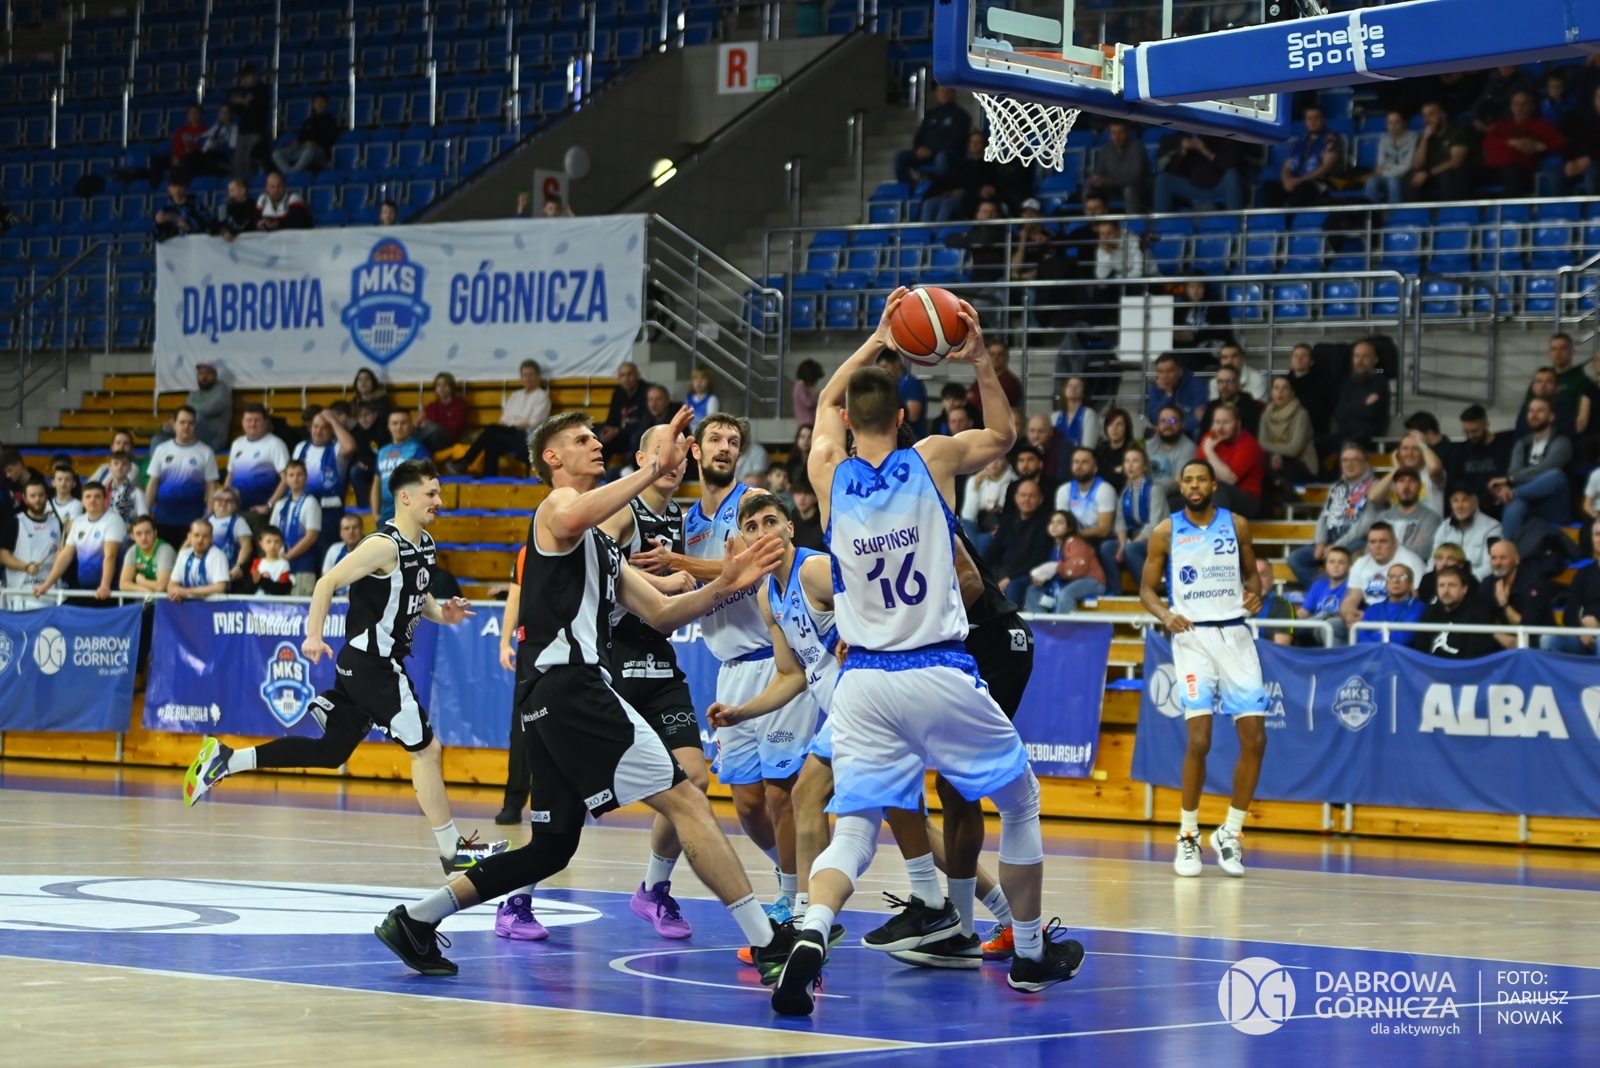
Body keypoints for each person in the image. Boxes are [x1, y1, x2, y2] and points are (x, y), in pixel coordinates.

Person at [369, 426, 799, 979]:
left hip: (549, 698)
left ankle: (415, 919)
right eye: (581, 439)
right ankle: (768, 943)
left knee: (551, 847)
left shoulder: (599, 543)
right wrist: (651, 469)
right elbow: (573, 515)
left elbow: (661, 613)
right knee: (689, 800)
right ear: (552, 457)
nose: (596, 443)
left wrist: (724, 584)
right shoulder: (557, 507)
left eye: (597, 438)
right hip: (572, 684)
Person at [771, 287, 1079, 1016]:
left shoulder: (828, 473)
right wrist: (979, 360)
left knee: (856, 826)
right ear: (903, 417)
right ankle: (1029, 952)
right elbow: (1004, 436)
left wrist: (879, 337)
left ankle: (812, 932)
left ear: (849, 423)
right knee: (1021, 799)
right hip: (936, 665)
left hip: (863, 681)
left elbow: (825, 406)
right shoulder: (931, 458)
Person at [185, 460, 510, 879]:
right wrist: (313, 635)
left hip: (371, 665)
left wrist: (443, 613)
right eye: (431, 493)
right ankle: (453, 852)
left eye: (439, 492)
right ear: (405, 497)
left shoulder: (425, 544)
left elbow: (418, 597)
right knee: (427, 750)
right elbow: (326, 583)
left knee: (330, 752)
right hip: (371, 664)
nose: (439, 501)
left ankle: (227, 760)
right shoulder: (382, 546)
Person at [652, 413, 818, 922]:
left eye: (733, 441)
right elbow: (690, 586)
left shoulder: (752, 504)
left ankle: (795, 898)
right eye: (715, 440)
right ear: (696, 451)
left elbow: (745, 570)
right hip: (731, 668)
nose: (725, 447)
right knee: (747, 804)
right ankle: (793, 874)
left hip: (777, 662)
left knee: (781, 793)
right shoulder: (688, 523)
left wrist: (677, 563)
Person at [591, 423, 710, 940]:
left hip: (658, 661)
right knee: (575, 790)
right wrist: (661, 582)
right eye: (664, 449)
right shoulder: (622, 509)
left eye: (682, 452)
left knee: (695, 779)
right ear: (642, 459)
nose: (675, 460)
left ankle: (653, 889)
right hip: (611, 658)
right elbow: (596, 564)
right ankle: (517, 896)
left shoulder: (682, 518)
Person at [1140, 459, 1267, 880]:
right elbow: (1146, 590)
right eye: (1188, 480)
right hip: (1192, 638)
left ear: (1213, 485)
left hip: (1236, 637)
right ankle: (1188, 833)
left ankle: (1231, 832)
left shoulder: (1238, 525)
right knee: (1199, 739)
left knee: (1255, 739)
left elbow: (1253, 577)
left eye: (1201, 480)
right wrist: (1164, 613)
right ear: (1182, 487)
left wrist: (1256, 595)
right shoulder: (1165, 531)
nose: (1194, 486)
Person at [1491, 397, 1572, 538]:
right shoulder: (1522, 444)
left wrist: (1511, 482)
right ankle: (1508, 550)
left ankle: (1512, 493)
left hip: (1553, 505)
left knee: (1556, 475)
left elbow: (1545, 470)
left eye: (1540, 411)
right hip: (1527, 502)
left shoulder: (1562, 442)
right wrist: (1512, 480)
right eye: (1531, 411)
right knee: (1513, 507)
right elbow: (1514, 472)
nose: (1534, 415)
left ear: (1551, 416)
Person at [454, 359, 550, 477]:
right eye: (525, 375)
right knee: (491, 437)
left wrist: (510, 426)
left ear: (538, 377)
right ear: (521, 378)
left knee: (491, 431)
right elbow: (504, 419)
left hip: (524, 435)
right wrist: (503, 426)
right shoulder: (516, 395)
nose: (528, 378)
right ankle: (489, 476)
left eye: (531, 375)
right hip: (508, 432)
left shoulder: (542, 396)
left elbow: (534, 422)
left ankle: (466, 461)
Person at [31, 482, 124, 603]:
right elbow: (66, 555)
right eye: (88, 496)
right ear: (82, 501)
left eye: (97, 496)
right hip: (83, 588)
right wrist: (46, 585)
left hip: (108, 590)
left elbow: (110, 556)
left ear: (105, 500)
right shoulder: (79, 522)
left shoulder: (114, 520)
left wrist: (105, 586)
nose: (92, 500)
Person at [147, 406, 219, 550]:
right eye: (182, 422)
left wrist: (210, 515)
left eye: (190, 423)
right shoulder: (161, 450)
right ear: (174, 424)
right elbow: (153, 482)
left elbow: (211, 486)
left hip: (192, 520)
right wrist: (145, 511)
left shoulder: (206, 452)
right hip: (164, 518)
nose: (186, 426)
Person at [292, 408, 357, 566]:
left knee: (326, 556)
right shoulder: (301, 447)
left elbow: (350, 447)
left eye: (324, 427)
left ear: (332, 430)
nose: (318, 431)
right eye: (315, 426)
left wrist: (334, 420)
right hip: (304, 509)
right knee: (304, 557)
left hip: (329, 513)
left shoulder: (337, 448)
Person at [1101, 446, 1167, 594]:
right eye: (1127, 461)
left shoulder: (1155, 490)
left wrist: (1131, 544)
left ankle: (1150, 590)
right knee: (1107, 547)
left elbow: (1155, 524)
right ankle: (1116, 591)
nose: (1130, 465)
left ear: (1144, 467)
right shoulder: (1125, 492)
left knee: (1131, 549)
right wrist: (1122, 544)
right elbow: (1120, 523)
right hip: (1136, 539)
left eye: (1135, 461)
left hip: (1158, 539)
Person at [1340, 522, 1428, 627]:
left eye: (1383, 541)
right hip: (1368, 614)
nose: (1377, 546)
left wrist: (1375, 618)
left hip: (1398, 616)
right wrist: (1350, 614)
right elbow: (1351, 598)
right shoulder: (1360, 563)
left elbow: (1414, 600)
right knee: (1335, 625)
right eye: (1373, 542)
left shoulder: (1411, 562)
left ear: (1395, 542)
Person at [1482, 90, 1567, 198]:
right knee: (1463, 172)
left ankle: (1511, 208)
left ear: (1531, 106)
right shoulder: (1501, 125)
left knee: (1513, 172)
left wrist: (1543, 146)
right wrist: (1511, 142)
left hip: (1520, 170)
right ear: (1511, 107)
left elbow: (1562, 142)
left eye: (1524, 104)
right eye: (1516, 104)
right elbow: (1487, 143)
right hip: (1492, 168)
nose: (1519, 108)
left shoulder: (1539, 126)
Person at [1350, 467, 1441, 559]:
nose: (1406, 486)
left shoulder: (1431, 518)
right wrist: (1409, 546)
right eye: (1401, 481)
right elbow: (1370, 549)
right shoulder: (1383, 517)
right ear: (1394, 487)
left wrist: (1383, 549)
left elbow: (1422, 552)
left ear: (1420, 487)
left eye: (1412, 481)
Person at [1261, 106, 1342, 208]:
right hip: (1296, 181)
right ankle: (1278, 216)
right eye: (1309, 118)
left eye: (1316, 118)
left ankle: (1291, 216)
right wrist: (1286, 180)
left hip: (1318, 182)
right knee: (1269, 188)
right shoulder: (1301, 141)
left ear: (1324, 119)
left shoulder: (1332, 139)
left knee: (1304, 189)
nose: (1313, 122)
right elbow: (1287, 165)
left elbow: (1326, 167)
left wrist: (1299, 181)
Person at [1026, 510, 1106, 613]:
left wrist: (1055, 568)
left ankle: (1062, 624)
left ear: (1069, 528)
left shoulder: (1075, 542)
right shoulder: (1055, 546)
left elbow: (1079, 569)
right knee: (1033, 590)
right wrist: (1043, 576)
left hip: (1092, 581)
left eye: (1059, 522)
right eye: (1052, 522)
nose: (1054, 525)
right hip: (1068, 582)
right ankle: (1041, 623)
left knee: (1066, 593)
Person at [1482, 538, 1556, 648]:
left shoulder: (1533, 584)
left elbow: (1528, 627)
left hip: (1537, 640)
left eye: (1503, 558)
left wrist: (1504, 604)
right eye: (1494, 558)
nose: (1497, 563)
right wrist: (1497, 635)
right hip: (1506, 638)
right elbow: (1479, 617)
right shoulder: (1488, 583)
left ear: (1516, 560)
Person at [1541, 518, 1600, 655]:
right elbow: (1569, 613)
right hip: (1585, 636)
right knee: (1548, 639)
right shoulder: (1584, 573)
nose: (1599, 539)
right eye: (1597, 534)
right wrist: (1581, 631)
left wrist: (1597, 625)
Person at [893, 83, 971, 186]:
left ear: (953, 93)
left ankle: (942, 188)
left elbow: (957, 141)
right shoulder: (930, 114)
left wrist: (932, 151)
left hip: (949, 154)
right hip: (926, 153)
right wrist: (919, 148)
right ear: (936, 93)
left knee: (942, 158)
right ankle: (910, 189)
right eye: (941, 91)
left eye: (947, 91)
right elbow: (919, 136)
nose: (944, 94)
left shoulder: (961, 115)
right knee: (900, 158)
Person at [1, 481, 62, 610]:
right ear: (25, 499)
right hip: (22, 596)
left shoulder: (56, 523)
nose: (37, 499)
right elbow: (3, 555)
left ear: (46, 497)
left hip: (51, 595)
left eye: (41, 495)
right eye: (33, 496)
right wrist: (26, 567)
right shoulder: (16, 522)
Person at [1321, 339, 1389, 455]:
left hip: (1368, 435)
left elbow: (1371, 412)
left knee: (1347, 446)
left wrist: (1352, 406)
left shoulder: (1380, 382)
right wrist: (1363, 404)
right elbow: (1339, 413)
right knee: (1313, 446)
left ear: (1375, 360)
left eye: (1365, 356)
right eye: (1357, 356)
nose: (1359, 361)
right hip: (1344, 433)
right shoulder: (1348, 382)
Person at [1198, 405, 1264, 520]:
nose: (1220, 428)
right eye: (1217, 422)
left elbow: (1230, 479)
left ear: (1238, 423)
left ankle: (1219, 530)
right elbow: (1197, 471)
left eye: (1226, 422)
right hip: (1209, 492)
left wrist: (1209, 451)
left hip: (1247, 500)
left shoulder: (1249, 444)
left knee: (1218, 488)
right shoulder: (1210, 438)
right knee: (1173, 498)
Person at [269, 460, 323, 597]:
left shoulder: (311, 502)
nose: (295, 478)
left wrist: (288, 556)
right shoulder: (280, 505)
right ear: (286, 478)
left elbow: (311, 536)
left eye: (299, 474)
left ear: (306, 477)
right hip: (279, 567)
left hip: (303, 566)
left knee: (300, 607)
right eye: (291, 475)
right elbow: (271, 535)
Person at [1421, 566, 1500, 659]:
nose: (1446, 591)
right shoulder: (1430, 611)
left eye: (1452, 585)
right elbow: (1420, 649)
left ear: (1464, 589)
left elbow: (1476, 656)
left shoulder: (1479, 613)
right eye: (1441, 585)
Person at [1152, 133, 1245, 212]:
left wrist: (1207, 152)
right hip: (1191, 186)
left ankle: (1235, 220)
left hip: (1218, 185)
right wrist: (1182, 152)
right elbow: (1174, 171)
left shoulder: (1225, 139)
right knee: (1163, 180)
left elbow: (1232, 168)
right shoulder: (1185, 139)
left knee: (1232, 176)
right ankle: (1163, 224)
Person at [1260, 376, 1317, 502]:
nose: (1280, 392)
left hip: (1302, 463)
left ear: (1292, 393)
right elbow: (1261, 443)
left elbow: (1293, 449)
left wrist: (1274, 451)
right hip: (1275, 462)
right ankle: (1281, 485)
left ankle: (1281, 488)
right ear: (1272, 392)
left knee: (1269, 470)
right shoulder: (1266, 415)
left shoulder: (1301, 415)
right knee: (1261, 466)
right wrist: (1276, 455)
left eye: (1285, 388)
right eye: (1276, 388)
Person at [225, 404, 289, 515]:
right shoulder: (237, 444)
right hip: (237, 510)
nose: (252, 424)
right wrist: (225, 500)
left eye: (257, 420)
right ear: (242, 422)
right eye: (249, 420)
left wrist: (268, 506)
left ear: (266, 422)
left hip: (261, 513)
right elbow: (230, 474)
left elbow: (286, 479)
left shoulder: (276, 444)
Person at [1408, 100, 1475, 201]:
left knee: (1448, 175)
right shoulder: (1423, 137)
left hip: (1456, 173)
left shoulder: (1456, 131)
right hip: (1432, 175)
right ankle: (1415, 210)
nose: (1427, 120)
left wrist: (1428, 173)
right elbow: (1417, 165)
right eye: (1424, 116)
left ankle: (1450, 209)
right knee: (1411, 177)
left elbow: (1456, 161)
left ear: (1443, 115)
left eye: (1431, 115)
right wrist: (1425, 139)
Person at [1369, 432, 1448, 516]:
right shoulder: (1395, 477)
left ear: (1423, 451)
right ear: (1398, 452)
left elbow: (1435, 467)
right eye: (1405, 448)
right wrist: (1395, 470)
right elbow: (1373, 497)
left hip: (1427, 523)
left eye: (1415, 449)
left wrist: (1422, 444)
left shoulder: (1430, 474)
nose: (1409, 453)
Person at [372, 410, 428, 523]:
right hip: (385, 514)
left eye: (404, 423)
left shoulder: (418, 450)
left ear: (411, 425)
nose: (399, 427)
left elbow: (426, 483)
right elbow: (376, 484)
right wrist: (375, 514)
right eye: (395, 423)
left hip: (408, 515)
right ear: (389, 426)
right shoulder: (382, 452)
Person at [1054, 448, 1116, 547]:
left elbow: (1104, 530)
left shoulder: (1104, 489)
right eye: (1076, 462)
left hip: (1097, 539)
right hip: (1071, 538)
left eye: (1084, 462)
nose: (1079, 466)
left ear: (1095, 468)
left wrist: (1073, 536)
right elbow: (1061, 521)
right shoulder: (1064, 490)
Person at [1086, 120, 1151, 213]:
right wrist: (1096, 180)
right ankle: (1091, 219)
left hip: (1137, 189)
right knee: (1088, 189)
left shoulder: (1137, 148)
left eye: (1121, 133)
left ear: (1128, 133)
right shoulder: (1105, 150)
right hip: (1112, 189)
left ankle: (1132, 220)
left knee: (1130, 190)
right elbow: (1100, 173)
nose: (1117, 137)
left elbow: (1136, 177)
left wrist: (1109, 181)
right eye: (1114, 133)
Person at [1354, 563, 1426, 646]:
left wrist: (1374, 635)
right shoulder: (1373, 609)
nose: (1396, 581)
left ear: (1411, 584)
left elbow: (1404, 637)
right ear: (1386, 583)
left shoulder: (1419, 608)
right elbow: (1360, 637)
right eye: (1391, 577)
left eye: (1402, 577)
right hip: (1374, 653)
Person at [273, 90, 341, 174]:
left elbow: (331, 138)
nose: (319, 104)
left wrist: (315, 143)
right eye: (316, 102)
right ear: (313, 104)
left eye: (321, 102)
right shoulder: (308, 121)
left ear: (327, 104)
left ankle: (294, 172)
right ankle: (288, 172)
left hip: (319, 151)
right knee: (276, 153)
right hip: (302, 149)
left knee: (310, 150)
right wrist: (297, 142)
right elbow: (302, 136)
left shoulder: (331, 121)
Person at [1296, 544, 1351, 643]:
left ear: (1349, 567)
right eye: (1332, 562)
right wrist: (1289, 620)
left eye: (1341, 562)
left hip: (1339, 624)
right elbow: (1304, 611)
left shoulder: (1352, 586)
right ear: (1326, 565)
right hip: (1317, 623)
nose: (1336, 566)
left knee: (1326, 627)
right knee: (1289, 628)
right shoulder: (1318, 585)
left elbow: (1344, 614)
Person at [1144, 354, 1208, 440]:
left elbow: (1199, 419)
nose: (1165, 376)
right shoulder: (1155, 388)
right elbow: (1153, 419)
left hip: (1188, 430)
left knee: (1198, 431)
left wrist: (1174, 426)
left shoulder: (1196, 385)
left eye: (1170, 371)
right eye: (1161, 372)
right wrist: (1168, 395)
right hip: (1167, 428)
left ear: (1180, 371)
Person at [599, 362, 651, 464]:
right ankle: (599, 470)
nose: (626, 378)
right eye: (623, 375)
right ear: (619, 378)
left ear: (638, 375)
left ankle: (632, 467)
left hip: (639, 434)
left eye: (630, 374)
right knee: (599, 437)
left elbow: (646, 424)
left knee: (636, 438)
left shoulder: (648, 392)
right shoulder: (618, 393)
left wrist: (618, 430)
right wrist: (607, 430)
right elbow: (612, 419)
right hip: (622, 433)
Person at [167, 517, 231, 600]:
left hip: (213, 605)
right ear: (189, 537)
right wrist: (175, 593)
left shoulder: (218, 556)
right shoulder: (183, 555)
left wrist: (186, 592)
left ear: (211, 539)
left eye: (205, 536)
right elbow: (172, 584)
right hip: (187, 605)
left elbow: (220, 588)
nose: (200, 540)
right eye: (196, 535)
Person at [960, 454, 1016, 550]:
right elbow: (968, 516)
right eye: (990, 459)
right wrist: (976, 488)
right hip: (976, 524)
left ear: (1006, 461)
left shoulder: (1013, 481)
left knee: (978, 544)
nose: (994, 463)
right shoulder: (975, 480)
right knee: (963, 524)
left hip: (998, 526)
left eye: (999, 459)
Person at [1367, 111, 1421, 204]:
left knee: (1393, 181)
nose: (1393, 126)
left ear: (1404, 123)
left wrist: (1389, 169)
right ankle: (1372, 211)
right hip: (1387, 175)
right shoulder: (1384, 139)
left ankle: (1395, 211)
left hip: (1405, 176)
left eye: (1397, 122)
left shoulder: (1413, 138)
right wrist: (1391, 170)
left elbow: (1408, 165)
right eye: (1390, 123)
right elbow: (1381, 164)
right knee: (1371, 181)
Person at [1145, 404, 1198, 500]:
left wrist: (1154, 496)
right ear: (1158, 425)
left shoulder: (1188, 447)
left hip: (1172, 497)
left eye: (1173, 421)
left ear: (1182, 424)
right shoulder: (1150, 445)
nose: (1168, 425)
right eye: (1163, 421)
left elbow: (1179, 483)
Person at [207, 488, 255, 592]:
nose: (223, 503)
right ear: (213, 502)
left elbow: (247, 547)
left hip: (227, 572)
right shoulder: (205, 520)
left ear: (236, 505)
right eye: (219, 499)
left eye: (228, 501)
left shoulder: (238, 522)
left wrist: (238, 567)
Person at [876, 349, 928, 439]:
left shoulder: (912, 383)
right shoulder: (888, 385)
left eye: (885, 367)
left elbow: (913, 416)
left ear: (897, 364)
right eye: (880, 368)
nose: (883, 372)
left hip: (912, 439)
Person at [1286, 343, 1336, 436]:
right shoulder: (1284, 382)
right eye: (1296, 356)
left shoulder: (1321, 383)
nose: (1299, 359)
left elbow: (1318, 413)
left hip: (1312, 431)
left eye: (1304, 356)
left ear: (1311, 361)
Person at [230, 64, 271, 177]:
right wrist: (236, 103)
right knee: (239, 161)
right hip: (243, 130)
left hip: (256, 130)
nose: (247, 79)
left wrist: (243, 102)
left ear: (255, 76)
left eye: (249, 76)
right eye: (245, 77)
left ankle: (252, 181)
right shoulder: (245, 92)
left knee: (250, 159)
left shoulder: (262, 90)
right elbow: (239, 111)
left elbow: (258, 107)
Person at [411, 372, 467, 454]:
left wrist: (429, 425)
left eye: (445, 384)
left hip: (449, 441)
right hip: (431, 440)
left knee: (435, 429)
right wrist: (418, 424)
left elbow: (454, 430)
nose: (441, 387)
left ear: (451, 387)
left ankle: (410, 445)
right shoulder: (431, 406)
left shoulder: (459, 406)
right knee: (411, 429)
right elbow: (426, 425)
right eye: (438, 385)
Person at [119, 513, 174, 596]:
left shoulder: (165, 550)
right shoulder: (133, 551)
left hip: (166, 601)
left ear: (155, 533)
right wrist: (144, 589)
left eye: (148, 533)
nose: (144, 537)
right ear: (132, 536)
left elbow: (161, 587)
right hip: (144, 599)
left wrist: (142, 581)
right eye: (138, 534)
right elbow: (123, 584)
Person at [1200, 367, 1261, 440]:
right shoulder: (1212, 406)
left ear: (1238, 384)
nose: (1224, 385)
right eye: (1220, 381)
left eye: (1230, 381)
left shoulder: (1250, 407)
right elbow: (1202, 437)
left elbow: (1251, 437)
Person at [967, 342, 1024, 414]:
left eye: (1000, 354)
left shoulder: (1010, 383)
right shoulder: (982, 379)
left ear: (1007, 358)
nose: (996, 358)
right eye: (992, 354)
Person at [188, 361, 233, 453]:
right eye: (201, 373)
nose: (204, 377)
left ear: (215, 375)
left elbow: (208, 409)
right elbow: (185, 412)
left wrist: (184, 418)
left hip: (214, 441)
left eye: (208, 373)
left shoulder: (223, 391)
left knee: (196, 418)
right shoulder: (193, 394)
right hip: (193, 437)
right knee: (160, 438)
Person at [153, 175, 212, 242]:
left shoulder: (198, 208)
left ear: (186, 187)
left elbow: (208, 230)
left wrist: (190, 228)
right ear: (169, 188)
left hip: (196, 246)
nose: (177, 189)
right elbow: (158, 238)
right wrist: (159, 224)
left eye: (180, 186)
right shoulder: (165, 211)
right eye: (174, 186)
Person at [101, 451, 147, 530]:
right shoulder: (101, 491)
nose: (120, 467)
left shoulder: (137, 493)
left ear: (130, 468)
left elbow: (144, 521)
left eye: (124, 464)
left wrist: (127, 527)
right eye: (116, 463)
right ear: (110, 467)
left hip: (126, 533)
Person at [1253, 557, 1294, 646]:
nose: (1258, 579)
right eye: (1253, 574)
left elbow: (1280, 648)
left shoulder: (1283, 606)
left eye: (1263, 575)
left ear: (1272, 578)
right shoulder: (1234, 603)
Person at [1094, 408, 1135, 493]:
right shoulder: (1101, 448)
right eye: (1110, 424)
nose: (1114, 428)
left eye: (1119, 424)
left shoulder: (1132, 451)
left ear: (1126, 428)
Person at [1054, 376, 1101, 450]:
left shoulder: (1089, 415)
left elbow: (1088, 448)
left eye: (1078, 386)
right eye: (1070, 385)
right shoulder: (1055, 416)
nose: (1073, 388)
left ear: (1084, 393)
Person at [322, 512, 364, 589]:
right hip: (337, 596)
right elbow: (325, 581)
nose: (351, 532)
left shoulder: (371, 550)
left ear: (362, 530)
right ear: (341, 533)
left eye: (355, 527)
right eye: (346, 528)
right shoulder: (334, 550)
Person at [250, 526, 293, 595]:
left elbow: (281, 589)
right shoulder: (257, 563)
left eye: (276, 542)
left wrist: (261, 580)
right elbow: (251, 585)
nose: (273, 545)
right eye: (269, 542)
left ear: (282, 544)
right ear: (261, 544)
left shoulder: (284, 564)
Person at [217, 175, 259, 240]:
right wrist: (223, 231)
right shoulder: (225, 207)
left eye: (232, 190)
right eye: (229, 191)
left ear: (243, 190)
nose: (230, 194)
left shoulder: (254, 206)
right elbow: (218, 225)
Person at [789, 477, 824, 551]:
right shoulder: (789, 520)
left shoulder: (824, 522)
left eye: (807, 493)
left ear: (816, 497)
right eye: (798, 493)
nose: (802, 498)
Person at [792, 360, 823, 426]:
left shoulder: (805, 387)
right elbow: (809, 403)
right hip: (806, 423)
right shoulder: (800, 386)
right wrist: (814, 394)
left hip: (811, 422)